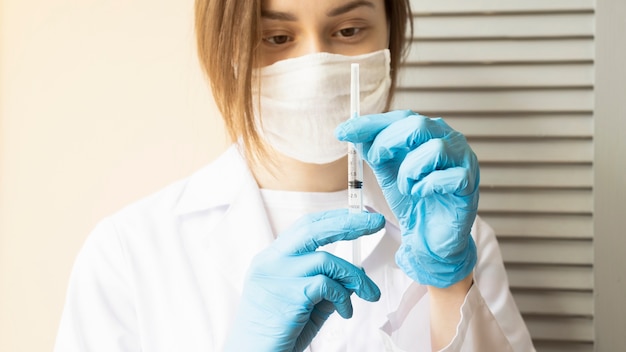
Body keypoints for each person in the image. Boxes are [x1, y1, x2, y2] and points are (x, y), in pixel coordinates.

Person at [54, 0, 535, 351]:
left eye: (348, 30)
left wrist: (452, 286)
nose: (314, 64)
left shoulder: (459, 238)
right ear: (226, 51)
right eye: (277, 37)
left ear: (390, 34)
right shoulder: (128, 252)